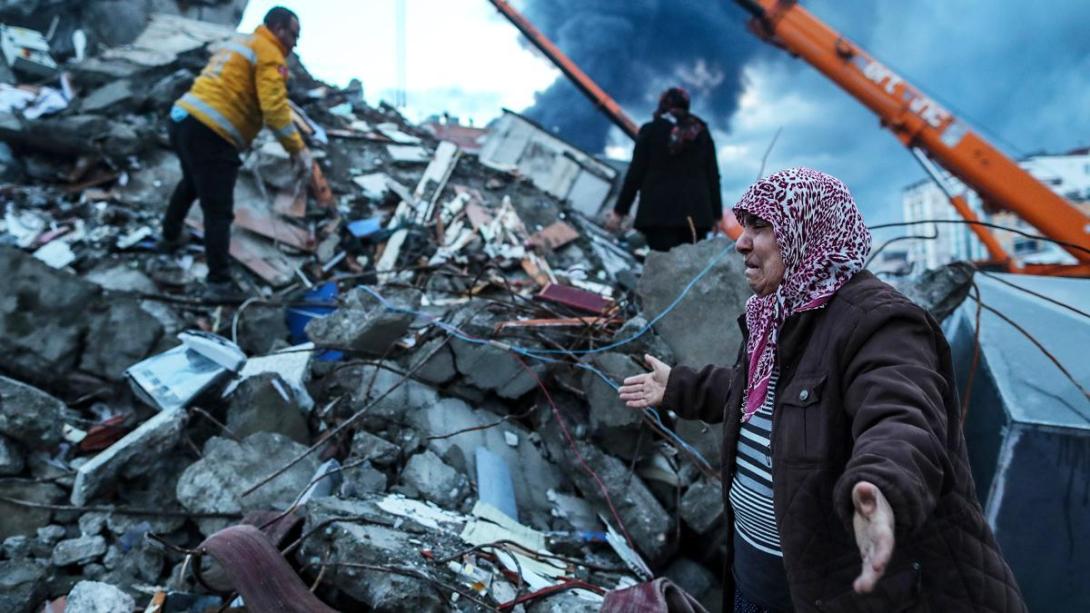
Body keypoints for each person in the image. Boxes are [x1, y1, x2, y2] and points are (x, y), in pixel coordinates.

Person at [617, 168, 1026, 612]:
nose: (740, 242)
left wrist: (881, 487)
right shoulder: (778, 312)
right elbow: (771, 397)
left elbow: (901, 416)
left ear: (809, 232)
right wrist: (681, 386)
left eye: (760, 227)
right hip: (753, 582)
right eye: (744, 225)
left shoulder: (881, 322)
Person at [159, 6, 312, 300]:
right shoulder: (270, 53)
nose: (295, 42)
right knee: (218, 211)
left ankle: (169, 238)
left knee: (191, 183)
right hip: (213, 133)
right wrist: (297, 149)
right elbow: (274, 108)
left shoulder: (241, 42)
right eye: (294, 34)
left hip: (183, 120)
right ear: (278, 28)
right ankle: (219, 283)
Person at [606, 86, 722, 251]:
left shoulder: (650, 131)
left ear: (662, 105)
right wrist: (716, 215)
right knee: (690, 262)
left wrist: (620, 211)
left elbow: (635, 175)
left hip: (657, 216)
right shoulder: (702, 134)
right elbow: (713, 177)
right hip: (696, 217)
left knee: (663, 262)